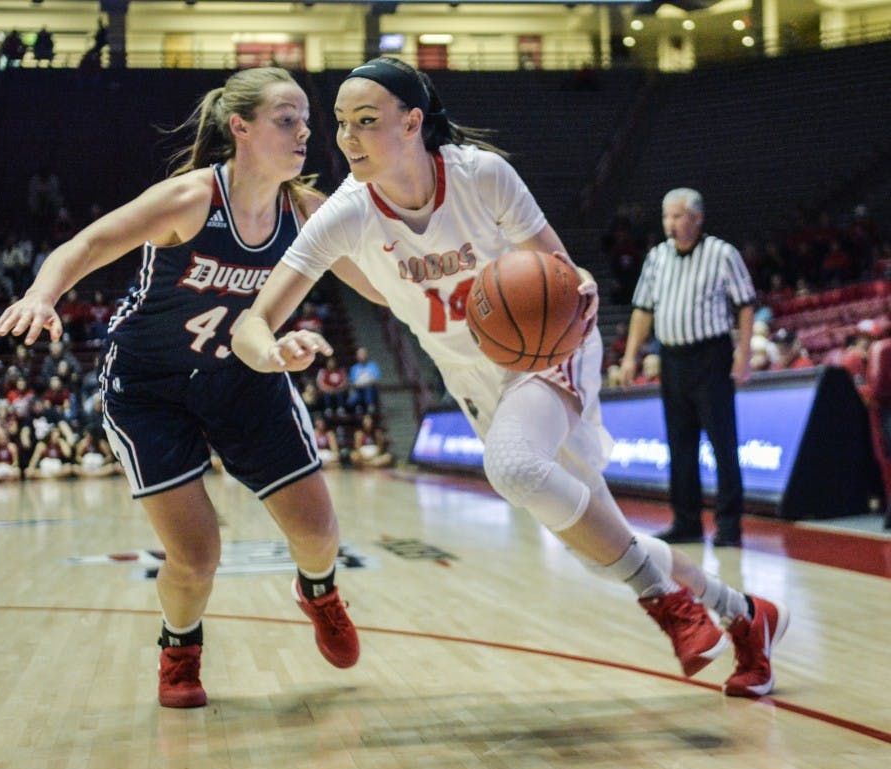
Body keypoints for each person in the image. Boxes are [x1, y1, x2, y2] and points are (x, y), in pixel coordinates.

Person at [232, 57, 787, 698]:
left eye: (366, 122)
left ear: (413, 123)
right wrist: (269, 351)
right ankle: (747, 616)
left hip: (547, 351)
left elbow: (562, 268)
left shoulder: (480, 175)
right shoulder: (347, 214)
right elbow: (255, 319)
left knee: (515, 467)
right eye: (340, 124)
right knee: (601, 546)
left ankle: (668, 604)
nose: (347, 138)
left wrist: (574, 285)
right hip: (472, 379)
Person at [0, 67, 375, 709]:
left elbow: (376, 286)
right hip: (150, 387)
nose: (305, 130)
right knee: (197, 558)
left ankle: (317, 590)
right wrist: (41, 295)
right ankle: (180, 647)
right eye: (288, 118)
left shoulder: (310, 213)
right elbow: (87, 245)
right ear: (241, 128)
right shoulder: (192, 198)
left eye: (307, 119)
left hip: (247, 378)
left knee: (318, 535)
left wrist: (449, 291)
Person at [619, 188, 755, 549]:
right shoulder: (656, 258)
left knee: (722, 445)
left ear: (697, 218)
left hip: (711, 356)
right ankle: (686, 521)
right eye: (667, 217)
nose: (670, 224)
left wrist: (743, 354)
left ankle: (729, 526)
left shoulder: (722, 253)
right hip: (672, 359)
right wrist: (631, 356)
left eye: (678, 216)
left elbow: (745, 304)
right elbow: (643, 309)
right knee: (679, 445)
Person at [348, 346, 381, 413]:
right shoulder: (354, 368)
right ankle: (359, 407)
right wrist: (365, 383)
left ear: (366, 355)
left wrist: (364, 383)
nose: (361, 356)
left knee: (368, 388)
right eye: (360, 354)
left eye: (363, 354)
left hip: (371, 391)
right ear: (357, 356)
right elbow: (353, 383)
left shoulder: (373, 366)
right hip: (359, 391)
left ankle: (370, 407)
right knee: (351, 401)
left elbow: (376, 380)